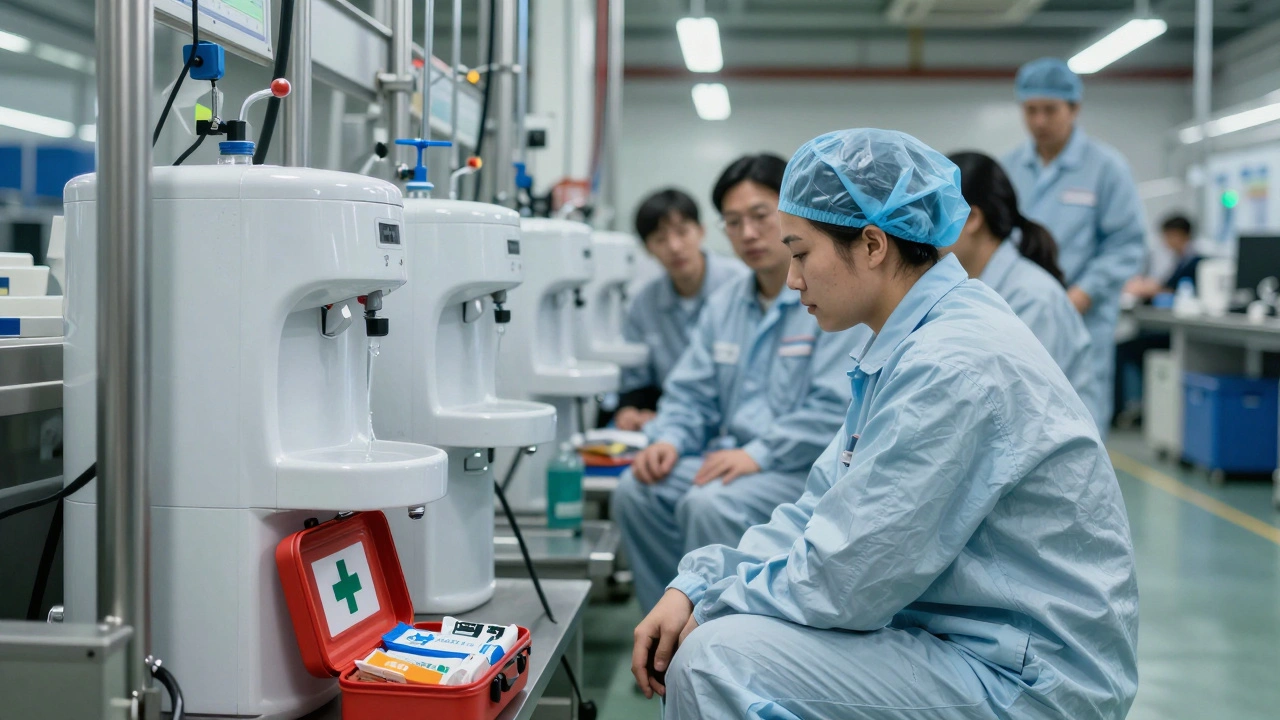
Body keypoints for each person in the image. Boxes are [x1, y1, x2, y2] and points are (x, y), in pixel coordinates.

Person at [632, 129, 1138, 720]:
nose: (793, 280)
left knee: (715, 658)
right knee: (721, 636)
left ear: (872, 245)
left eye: (800, 253)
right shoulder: (909, 344)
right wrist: (697, 582)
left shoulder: (949, 364)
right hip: (973, 637)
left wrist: (715, 602)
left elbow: (847, 581)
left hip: (1028, 676)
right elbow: (822, 507)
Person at [611, 153, 860, 613]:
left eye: (761, 217)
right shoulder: (725, 304)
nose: (748, 233)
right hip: (731, 459)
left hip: (797, 466)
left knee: (709, 505)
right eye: (733, 221)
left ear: (790, 215)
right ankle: (661, 628)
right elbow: (691, 392)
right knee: (636, 490)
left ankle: (712, 634)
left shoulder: (830, 298)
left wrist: (757, 454)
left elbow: (834, 408)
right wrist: (668, 438)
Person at [1002, 57, 1146, 435]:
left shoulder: (1105, 168)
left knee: (1079, 421)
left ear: (1074, 108)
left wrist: (1083, 294)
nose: (1039, 122)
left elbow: (1126, 243)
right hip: (1018, 316)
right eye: (1030, 110)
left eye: (1049, 110)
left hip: (1082, 318)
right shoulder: (1012, 167)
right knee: (1019, 420)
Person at [946, 151, 1102, 430]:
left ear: (972, 219)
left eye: (936, 214)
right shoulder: (972, 288)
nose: (923, 232)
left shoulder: (1033, 299)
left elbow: (1021, 413)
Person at [611, 188, 748, 431]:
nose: (674, 247)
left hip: (740, 421)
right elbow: (637, 379)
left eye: (682, 232)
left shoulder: (741, 285)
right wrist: (631, 410)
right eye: (660, 239)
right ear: (647, 248)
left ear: (701, 231)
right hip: (677, 423)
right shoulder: (644, 303)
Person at [1113, 214, 1201, 426]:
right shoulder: (1180, 261)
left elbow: (1172, 289)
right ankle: (1138, 406)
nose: (1165, 242)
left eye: (1168, 236)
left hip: (1182, 333)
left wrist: (1150, 289)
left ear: (1180, 235)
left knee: (1126, 348)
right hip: (1173, 327)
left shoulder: (1196, 262)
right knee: (1127, 346)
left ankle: (1122, 410)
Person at [1123, 214, 1201, 300]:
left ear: (1182, 235)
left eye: (1169, 235)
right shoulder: (1178, 259)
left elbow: (1179, 291)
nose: (1166, 240)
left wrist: (1154, 291)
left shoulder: (1196, 262)